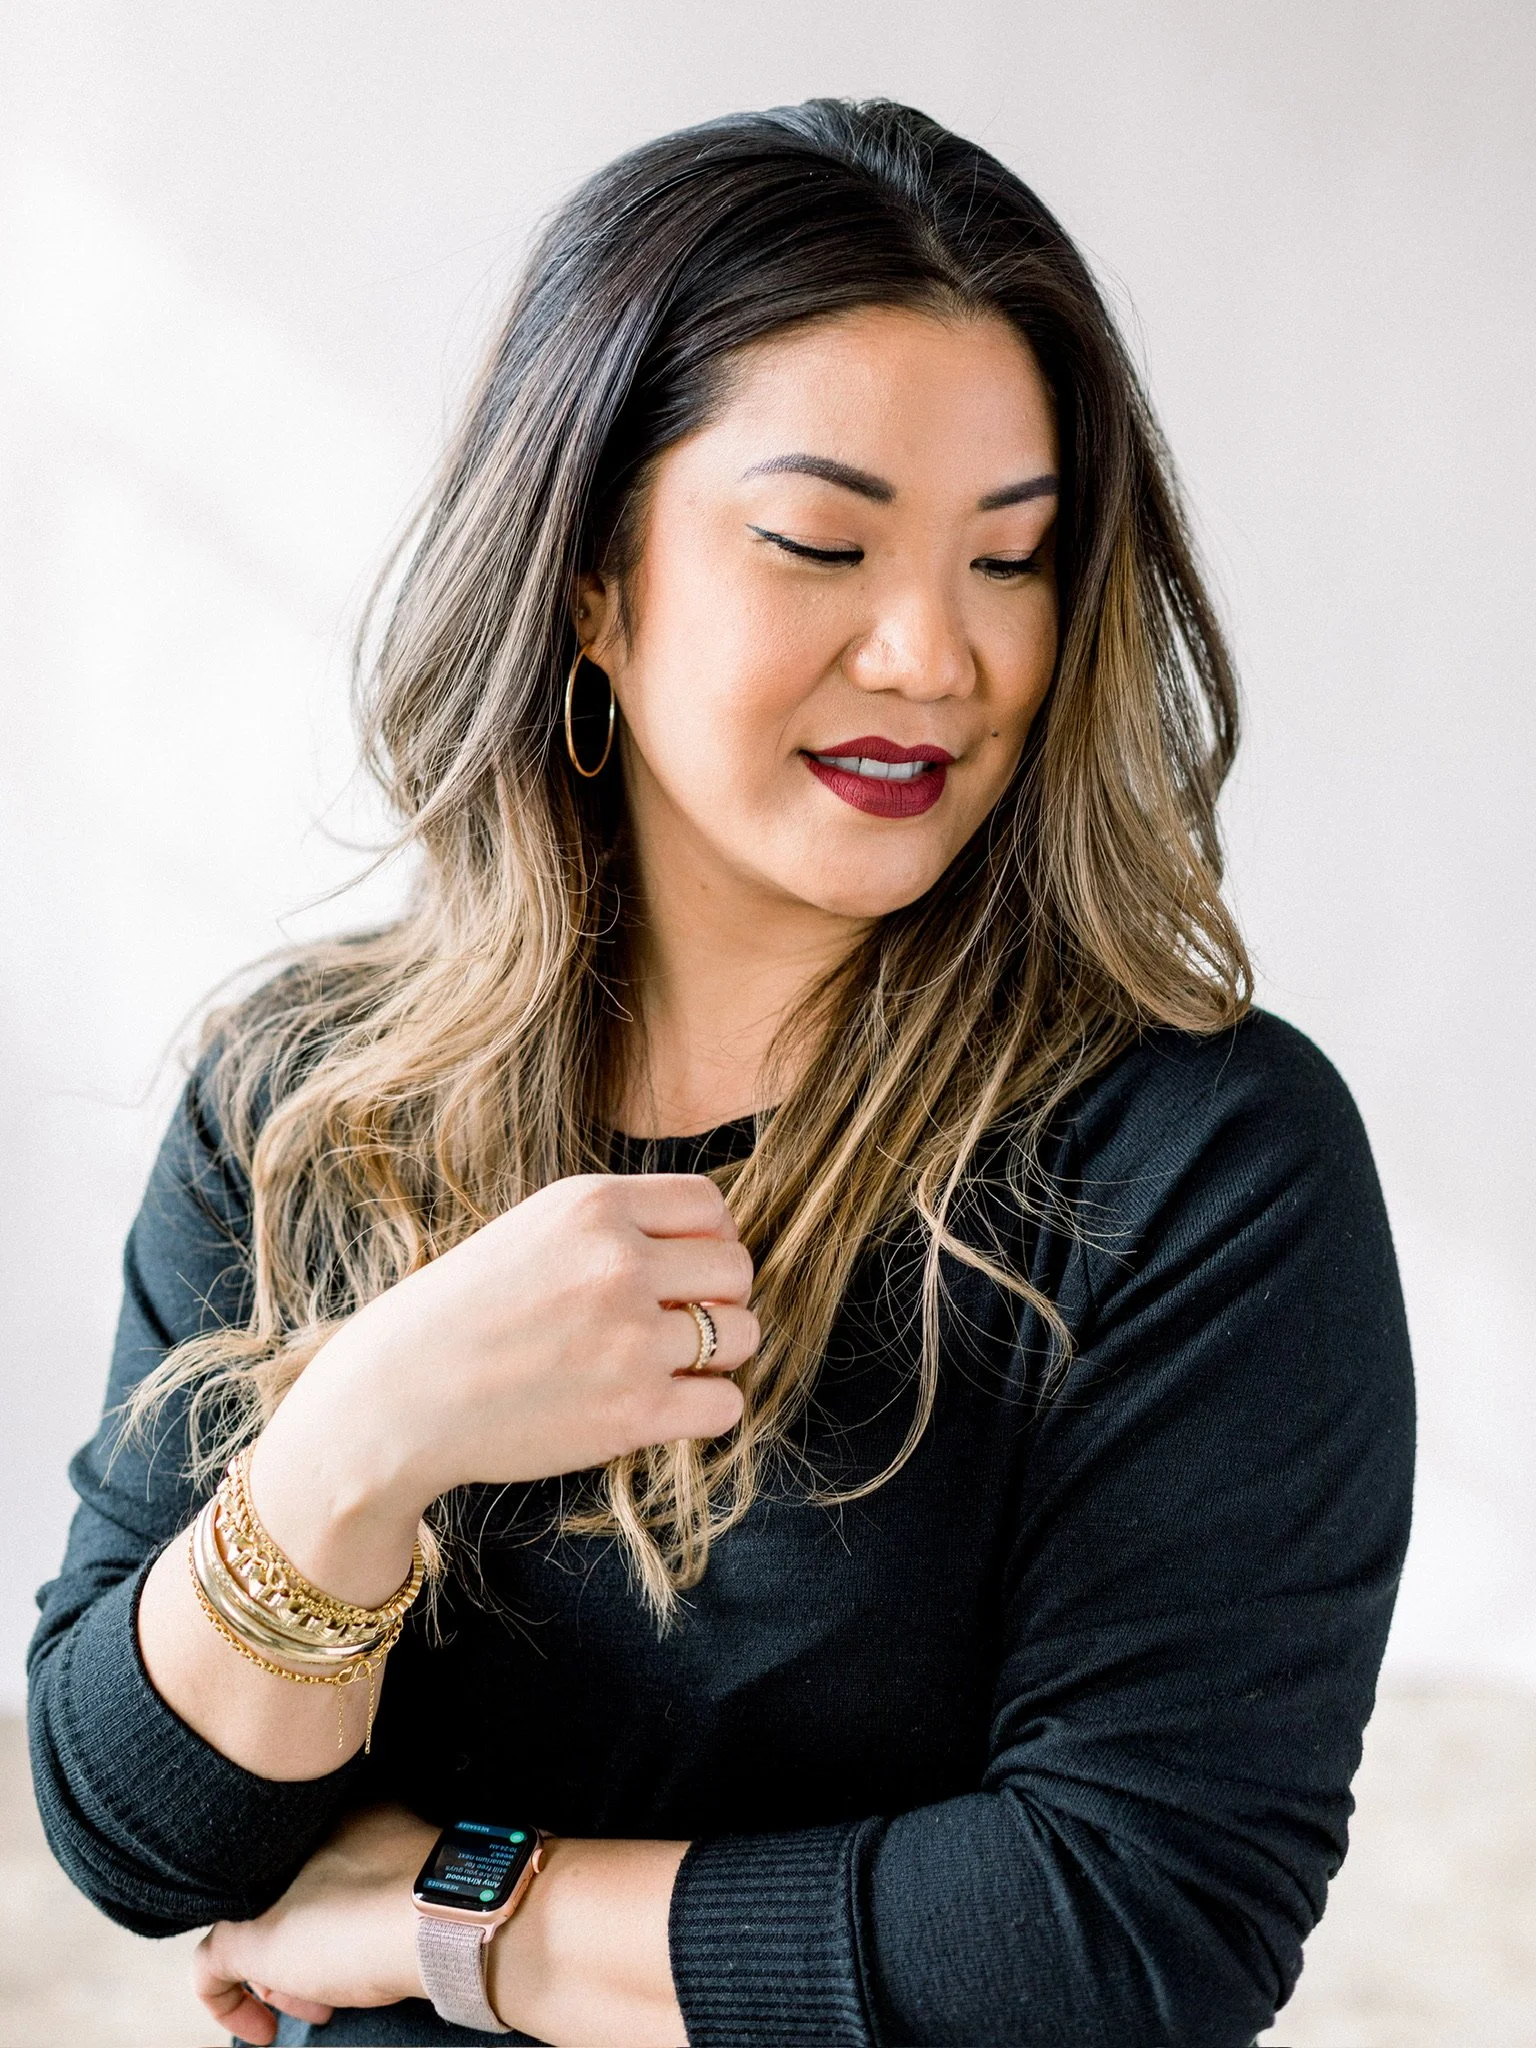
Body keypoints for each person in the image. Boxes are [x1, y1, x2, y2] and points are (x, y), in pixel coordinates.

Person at [27, 98, 1413, 2048]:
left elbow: (1126, 1932)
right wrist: (359, 1439)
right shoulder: (303, 1099)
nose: (936, 655)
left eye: (1012, 560)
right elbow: (138, 1836)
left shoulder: (1203, 1160)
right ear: (593, 577)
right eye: (820, 543)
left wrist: (460, 1918)